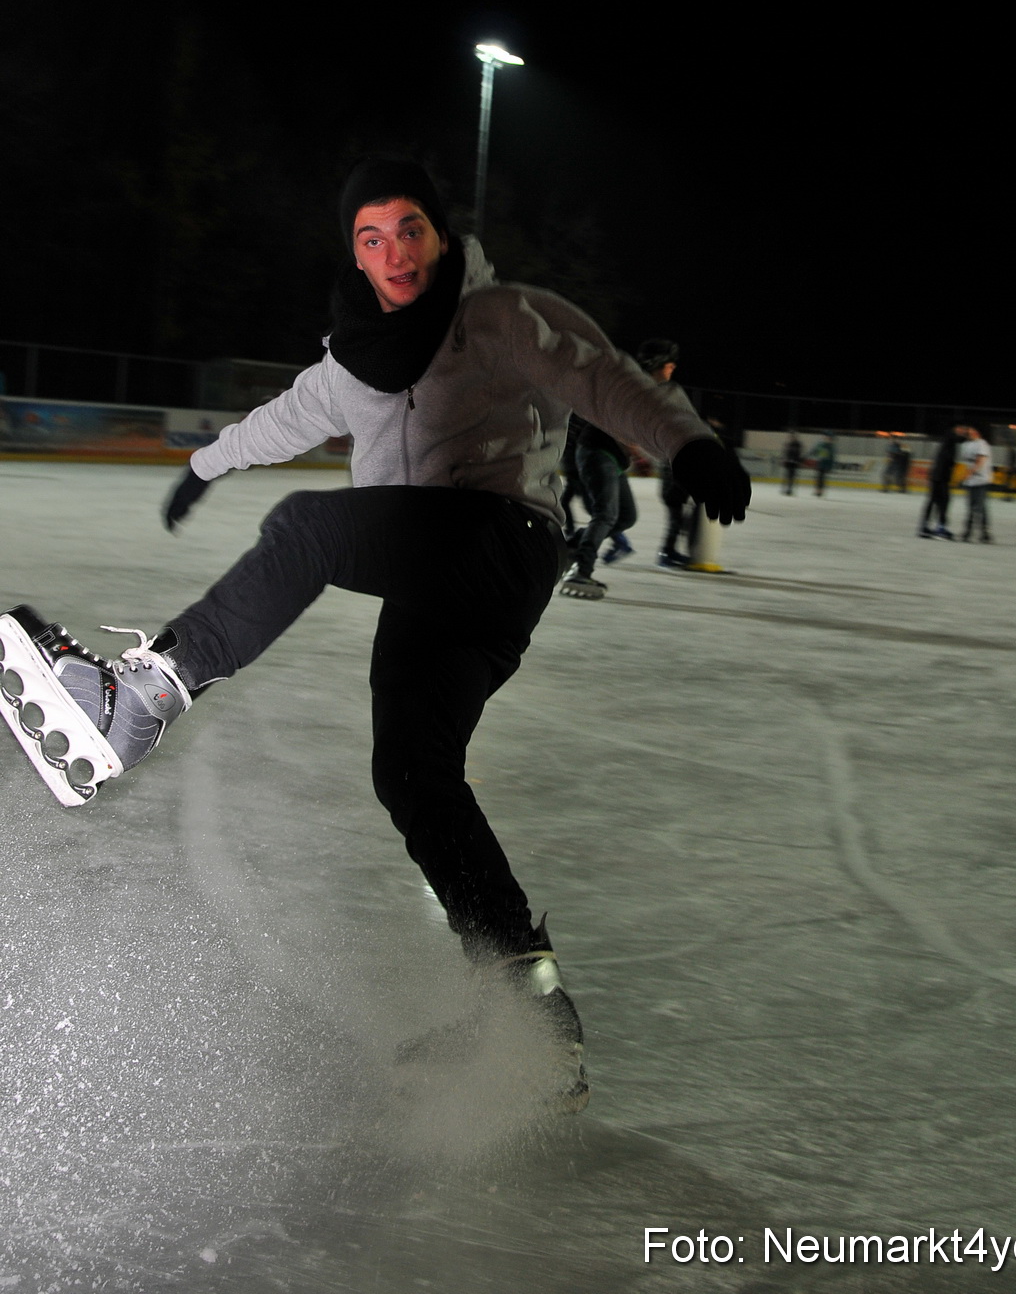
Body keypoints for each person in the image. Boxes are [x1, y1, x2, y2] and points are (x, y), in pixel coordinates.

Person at [0, 156, 750, 1113]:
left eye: (408, 229)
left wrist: (685, 442)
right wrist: (204, 462)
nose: (392, 252)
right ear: (353, 254)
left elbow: (597, 375)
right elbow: (285, 417)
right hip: (426, 576)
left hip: (498, 543)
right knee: (411, 773)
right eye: (369, 236)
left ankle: (137, 702)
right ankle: (527, 1005)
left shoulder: (497, 316)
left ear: (440, 235)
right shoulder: (354, 359)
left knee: (309, 531)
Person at [636, 339, 698, 568]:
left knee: (678, 511)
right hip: (673, 463)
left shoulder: (653, 391)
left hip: (674, 462)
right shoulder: (664, 392)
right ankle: (668, 550)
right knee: (677, 509)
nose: (673, 368)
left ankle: (669, 549)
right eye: (669, 365)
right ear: (658, 365)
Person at [563, 416, 638, 590]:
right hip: (598, 451)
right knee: (605, 514)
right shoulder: (631, 398)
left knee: (627, 516)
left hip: (616, 460)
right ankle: (581, 571)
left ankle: (573, 546)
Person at [919, 425, 967, 538]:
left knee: (934, 501)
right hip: (941, 477)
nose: (963, 431)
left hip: (938, 476)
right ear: (955, 429)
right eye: (961, 429)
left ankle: (925, 527)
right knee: (943, 501)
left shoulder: (948, 440)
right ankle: (940, 528)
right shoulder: (950, 437)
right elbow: (957, 439)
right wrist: (967, 436)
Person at [959, 425, 994, 542]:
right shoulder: (965, 445)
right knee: (972, 507)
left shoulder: (982, 444)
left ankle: (980, 533)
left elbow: (980, 461)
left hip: (981, 480)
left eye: (971, 431)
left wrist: (970, 473)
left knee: (978, 507)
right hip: (970, 481)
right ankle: (973, 532)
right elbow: (965, 462)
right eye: (968, 431)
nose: (969, 433)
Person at [809, 432, 835, 497]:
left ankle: (820, 491)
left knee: (822, 478)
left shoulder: (830, 447)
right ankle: (817, 490)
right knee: (818, 478)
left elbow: (832, 457)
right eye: (825, 437)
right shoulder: (820, 444)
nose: (826, 438)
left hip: (825, 465)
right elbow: (814, 451)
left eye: (828, 438)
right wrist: (810, 454)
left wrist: (831, 466)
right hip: (819, 463)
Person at [781, 430, 803, 496]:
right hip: (788, 462)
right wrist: (784, 459)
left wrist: (798, 461)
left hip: (794, 463)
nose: (792, 437)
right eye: (791, 436)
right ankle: (784, 488)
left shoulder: (798, 444)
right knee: (786, 476)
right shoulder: (788, 444)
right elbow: (785, 453)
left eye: (793, 436)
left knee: (792, 477)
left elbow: (799, 454)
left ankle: (789, 489)